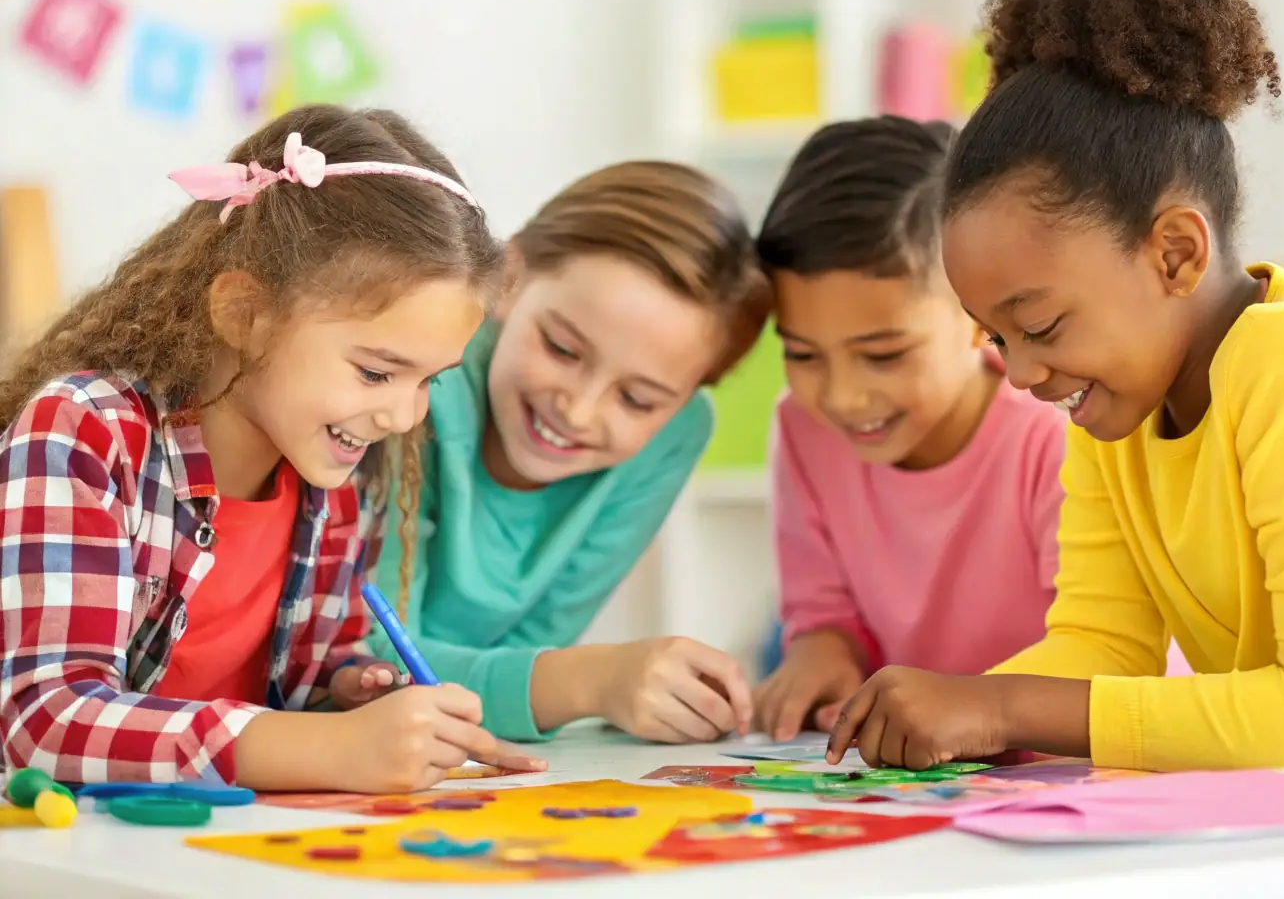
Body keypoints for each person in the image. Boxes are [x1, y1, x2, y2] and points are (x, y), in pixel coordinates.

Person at [829, 0, 1284, 774]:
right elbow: (1098, 645)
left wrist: (998, 706)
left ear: (1176, 253)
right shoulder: (1117, 401)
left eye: (1037, 325)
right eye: (996, 339)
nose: (1019, 374)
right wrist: (954, 708)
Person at [0, 105, 545, 790]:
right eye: (376, 372)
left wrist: (349, 691)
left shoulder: (338, 474)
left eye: (429, 379)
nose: (405, 417)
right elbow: (42, 722)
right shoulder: (87, 430)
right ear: (245, 315)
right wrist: (326, 748)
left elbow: (304, 677)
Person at [367, 161, 772, 743]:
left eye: (637, 399)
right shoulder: (422, 378)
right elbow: (360, 659)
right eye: (561, 348)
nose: (578, 412)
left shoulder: (674, 435)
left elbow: (533, 651)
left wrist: (578, 679)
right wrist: (594, 680)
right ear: (511, 275)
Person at [750, 117, 1066, 741]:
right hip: (912, 785)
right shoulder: (802, 426)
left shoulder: (1054, 439)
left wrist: (981, 713)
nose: (841, 397)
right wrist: (823, 648)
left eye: (885, 354)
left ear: (981, 316)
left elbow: (1119, 663)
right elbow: (824, 610)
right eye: (804, 354)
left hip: (1063, 769)